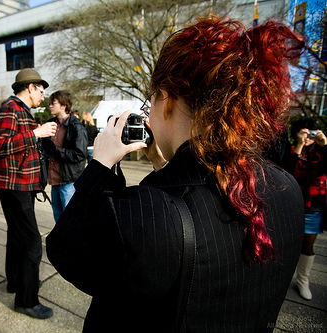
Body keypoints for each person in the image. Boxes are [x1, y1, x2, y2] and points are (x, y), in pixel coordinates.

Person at [46, 16, 305, 332]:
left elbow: (65, 250)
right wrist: (164, 169)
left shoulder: (147, 213)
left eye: (149, 100)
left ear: (165, 99)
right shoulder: (286, 186)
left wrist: (100, 165)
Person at [0, 68, 57, 319]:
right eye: (41, 90)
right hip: (14, 185)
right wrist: (34, 134)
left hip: (19, 183)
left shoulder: (20, 110)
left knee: (18, 236)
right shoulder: (11, 109)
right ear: (30, 88)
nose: (43, 96)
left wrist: (33, 134)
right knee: (31, 243)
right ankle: (26, 300)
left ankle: (17, 282)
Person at [283, 117, 326, 300]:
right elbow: (287, 173)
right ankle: (281, 280)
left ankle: (303, 281)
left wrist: (325, 146)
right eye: (304, 131)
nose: (308, 135)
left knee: (307, 246)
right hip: (292, 206)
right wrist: (299, 146)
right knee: (285, 245)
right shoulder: (291, 150)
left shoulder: (320, 153)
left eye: (312, 131)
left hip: (313, 206)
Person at [41, 90, 87, 222]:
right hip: (54, 179)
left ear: (63, 105)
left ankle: (72, 242)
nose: (49, 106)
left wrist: (56, 150)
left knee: (70, 218)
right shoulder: (50, 124)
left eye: (53, 103)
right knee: (58, 216)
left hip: (68, 182)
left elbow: (79, 155)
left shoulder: (76, 127)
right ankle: (61, 242)